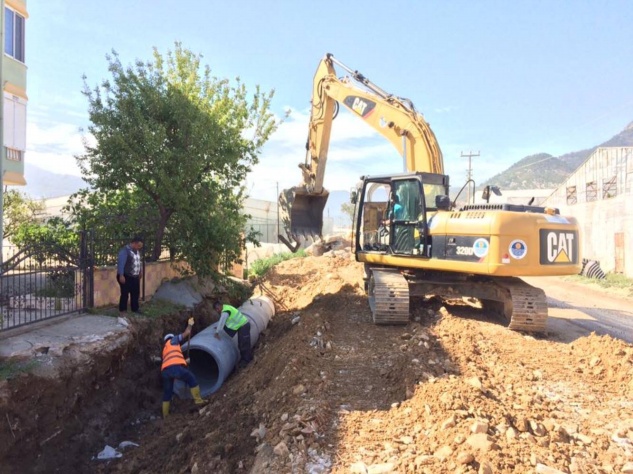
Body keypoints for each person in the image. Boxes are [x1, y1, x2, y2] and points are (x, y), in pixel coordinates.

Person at [161, 317, 207, 418]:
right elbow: (186, 333)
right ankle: (198, 400)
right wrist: (190, 324)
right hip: (174, 368)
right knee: (191, 379)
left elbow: (172, 360)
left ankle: (165, 415)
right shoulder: (173, 340)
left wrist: (184, 362)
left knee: (167, 392)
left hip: (165, 371)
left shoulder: (165, 349)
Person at [213, 300, 253, 368]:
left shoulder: (225, 312)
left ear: (220, 306)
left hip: (243, 326)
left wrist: (217, 332)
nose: (217, 310)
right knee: (242, 344)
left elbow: (222, 321)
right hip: (242, 326)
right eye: (216, 309)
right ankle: (247, 358)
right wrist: (219, 327)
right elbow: (225, 322)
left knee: (243, 344)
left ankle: (247, 360)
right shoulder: (226, 307)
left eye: (217, 308)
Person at [117, 235, 144, 316]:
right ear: (134, 243)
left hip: (135, 276)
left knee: (135, 293)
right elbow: (121, 264)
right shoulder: (124, 251)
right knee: (125, 293)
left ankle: (135, 308)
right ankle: (123, 310)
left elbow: (138, 261)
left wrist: (140, 271)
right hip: (126, 276)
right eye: (138, 246)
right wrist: (121, 275)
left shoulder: (136, 251)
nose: (139, 248)